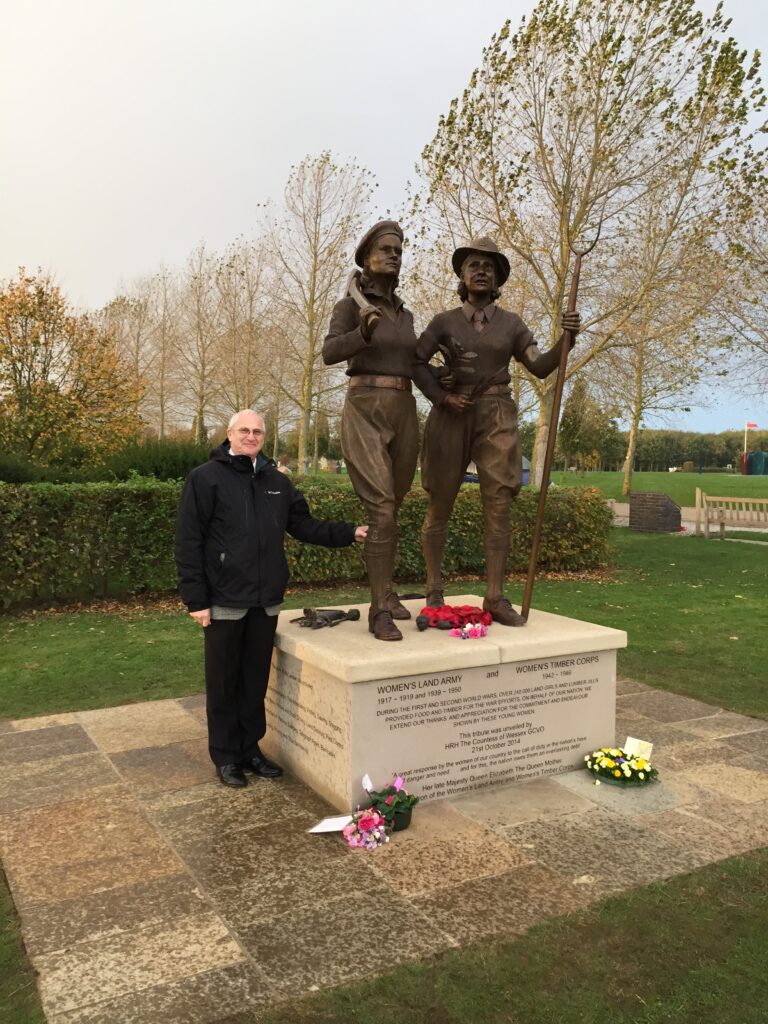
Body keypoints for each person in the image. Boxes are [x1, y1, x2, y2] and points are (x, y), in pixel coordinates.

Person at [175, 409, 367, 788]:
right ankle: (226, 756)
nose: (251, 436)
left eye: (258, 431)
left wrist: (350, 532)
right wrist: (196, 600)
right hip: (224, 600)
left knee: (254, 681)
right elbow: (188, 542)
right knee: (224, 683)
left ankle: (250, 750)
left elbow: (303, 525)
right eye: (244, 430)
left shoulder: (276, 482)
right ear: (229, 434)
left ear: (264, 437)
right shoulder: (205, 479)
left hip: (265, 602)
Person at [412, 237, 580, 626]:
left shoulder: (512, 324)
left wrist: (566, 339)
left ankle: (495, 596)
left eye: (490, 266)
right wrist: (440, 395)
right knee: (439, 503)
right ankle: (434, 588)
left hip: (497, 414)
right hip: (451, 414)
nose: (482, 270)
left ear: (499, 276)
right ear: (461, 274)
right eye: (474, 264)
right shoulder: (442, 322)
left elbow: (539, 365)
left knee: (499, 505)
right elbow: (415, 362)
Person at [323, 220, 419, 641]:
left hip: (405, 406)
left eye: (398, 249)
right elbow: (329, 352)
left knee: (392, 508)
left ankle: (388, 591)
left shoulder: (405, 313)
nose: (394, 254)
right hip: (365, 408)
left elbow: (414, 364)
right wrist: (362, 333)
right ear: (366, 257)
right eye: (385, 248)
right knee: (381, 510)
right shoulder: (350, 306)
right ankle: (378, 610)